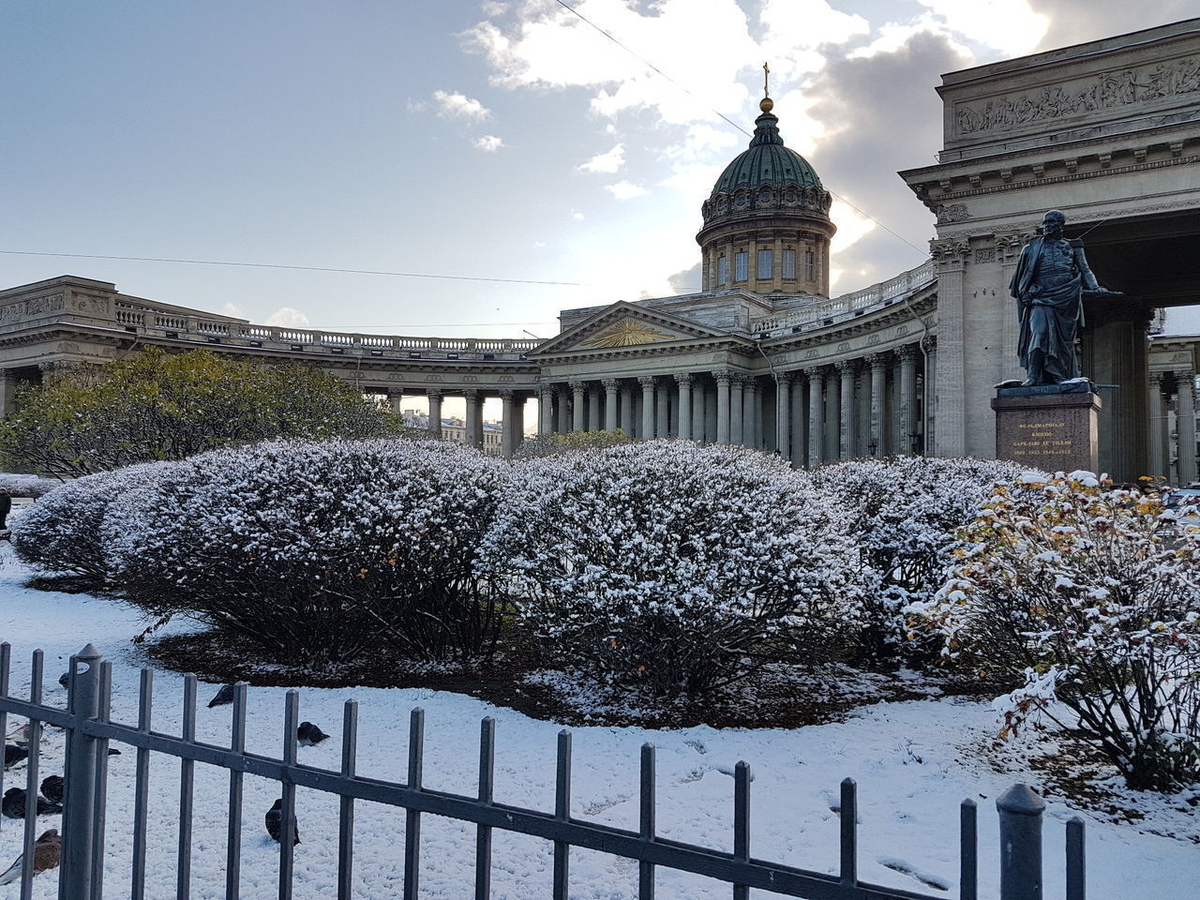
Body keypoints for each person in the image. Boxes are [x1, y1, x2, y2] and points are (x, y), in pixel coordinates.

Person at [1008, 210, 1104, 386]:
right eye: (1045, 223)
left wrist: (1095, 287)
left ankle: (1059, 375)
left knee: (1062, 342)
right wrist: (1026, 292)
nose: (1046, 226)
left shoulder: (1073, 246)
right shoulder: (1031, 248)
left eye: (1051, 222)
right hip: (1040, 298)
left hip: (1066, 299)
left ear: (1061, 225)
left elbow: (1085, 270)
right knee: (1039, 333)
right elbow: (1020, 280)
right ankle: (1033, 375)